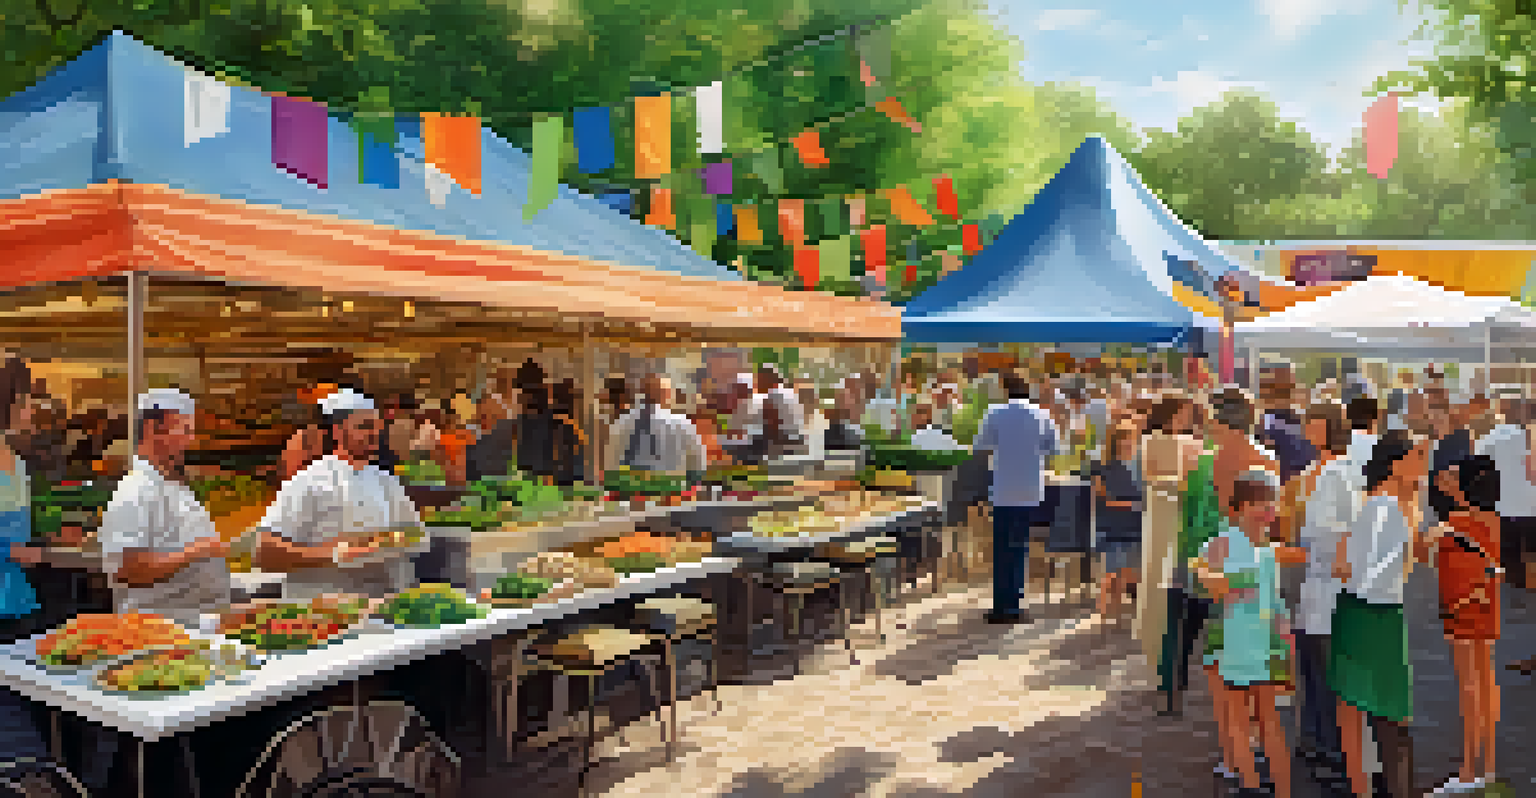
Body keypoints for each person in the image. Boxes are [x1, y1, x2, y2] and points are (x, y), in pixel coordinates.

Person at [1195, 468, 1307, 798]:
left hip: (1263, 642)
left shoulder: (1265, 547)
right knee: (1246, 722)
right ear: (1239, 507)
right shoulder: (1229, 544)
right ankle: (1256, 787)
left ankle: (1267, 789)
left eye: (1270, 501)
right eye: (1258, 502)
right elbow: (1206, 580)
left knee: (1262, 722)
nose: (1266, 508)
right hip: (1243, 641)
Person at [1331, 430, 1427, 798]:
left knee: (1366, 710)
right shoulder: (1383, 506)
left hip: (1373, 613)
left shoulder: (1390, 505)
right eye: (1417, 457)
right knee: (1379, 711)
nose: (1423, 466)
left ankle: (1368, 788)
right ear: (1396, 463)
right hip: (1370, 613)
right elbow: (1351, 567)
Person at [257, 388, 421, 600]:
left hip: (382, 602)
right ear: (337, 432)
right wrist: (334, 554)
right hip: (320, 607)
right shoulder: (307, 481)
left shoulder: (387, 482)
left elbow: (414, 534)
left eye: (376, 426)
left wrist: (393, 543)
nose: (373, 433)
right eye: (363, 427)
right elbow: (265, 553)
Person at [97, 389, 232, 627]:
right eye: (185, 430)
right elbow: (128, 570)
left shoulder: (174, 487)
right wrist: (197, 551)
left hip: (194, 623)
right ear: (153, 429)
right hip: (158, 630)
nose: (190, 439)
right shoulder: (134, 490)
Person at [1431, 455, 1503, 794]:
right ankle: (1488, 767)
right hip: (1487, 604)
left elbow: (1424, 549)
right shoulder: (1492, 520)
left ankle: (1467, 771)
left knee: (1468, 687)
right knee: (1486, 682)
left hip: (1460, 607)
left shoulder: (1455, 523)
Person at [1292, 401, 1356, 779]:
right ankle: (1316, 739)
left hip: (1331, 583)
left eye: (1313, 423)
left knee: (1326, 668)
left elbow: (1343, 529)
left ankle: (1333, 748)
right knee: (1311, 665)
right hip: (1313, 580)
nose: (1307, 429)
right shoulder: (1314, 469)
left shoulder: (1339, 471)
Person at [973, 372, 1059, 624]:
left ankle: (1001, 606)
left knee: (1002, 549)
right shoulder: (1042, 415)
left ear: (1005, 389)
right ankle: (1015, 605)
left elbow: (980, 446)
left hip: (1004, 488)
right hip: (1030, 489)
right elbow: (1053, 449)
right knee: (1020, 547)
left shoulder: (995, 413)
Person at [1474, 399, 1536, 592]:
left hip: (1503, 505)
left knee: (1510, 556)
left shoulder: (1486, 440)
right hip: (1531, 503)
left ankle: (1517, 592)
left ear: (1498, 412)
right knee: (1531, 552)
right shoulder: (1528, 437)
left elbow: (1478, 473)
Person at [606, 375, 708, 479]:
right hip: (673, 485)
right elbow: (698, 463)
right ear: (668, 395)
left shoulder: (623, 423)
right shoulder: (684, 425)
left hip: (631, 484)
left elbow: (611, 460)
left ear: (642, 393)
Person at [1093, 423, 1143, 620]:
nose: (1129, 443)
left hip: (1135, 526)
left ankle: (1116, 614)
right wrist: (1134, 505)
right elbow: (1105, 499)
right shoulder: (1105, 468)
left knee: (1126, 573)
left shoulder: (1140, 467)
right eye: (1125, 439)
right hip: (1112, 527)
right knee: (1111, 572)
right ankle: (1105, 613)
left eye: (1131, 439)